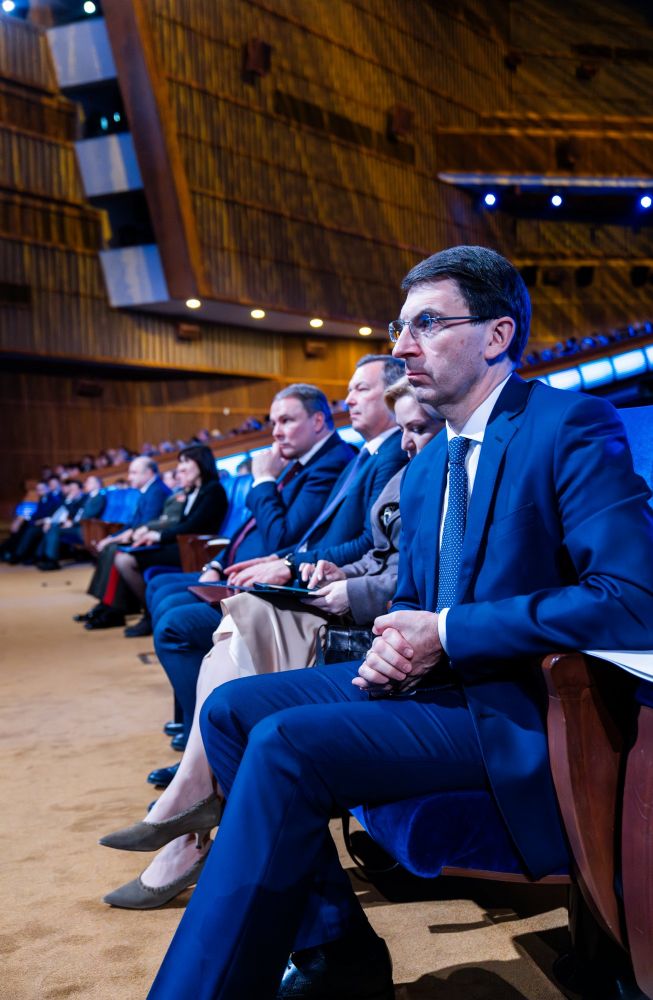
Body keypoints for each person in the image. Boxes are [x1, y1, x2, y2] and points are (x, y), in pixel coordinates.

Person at [147, 245, 653, 1000]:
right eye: (399, 327)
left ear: (497, 335)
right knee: (228, 710)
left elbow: (630, 598)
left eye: (427, 324)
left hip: (517, 705)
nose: (402, 347)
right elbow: (412, 601)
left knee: (285, 742)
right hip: (434, 686)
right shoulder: (424, 470)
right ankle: (337, 954)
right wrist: (397, 641)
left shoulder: (568, 424)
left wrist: (445, 634)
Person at [99, 380, 443, 909]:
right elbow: (363, 549)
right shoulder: (395, 462)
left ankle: (190, 806)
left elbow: (378, 561)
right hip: (339, 593)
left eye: (362, 389)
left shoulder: (397, 463)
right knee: (232, 626)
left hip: (374, 622)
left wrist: (321, 568)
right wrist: (329, 569)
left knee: (235, 621)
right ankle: (191, 804)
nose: (405, 439)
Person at [145, 357, 406, 781]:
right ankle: (202, 754)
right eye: (348, 390)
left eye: (361, 389)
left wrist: (283, 549)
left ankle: (206, 760)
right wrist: (259, 560)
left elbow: (332, 540)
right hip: (309, 575)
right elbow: (299, 538)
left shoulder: (371, 455)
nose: (349, 399)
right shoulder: (362, 456)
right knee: (178, 603)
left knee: (187, 621)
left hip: (329, 592)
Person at [111, 446, 228, 637]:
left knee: (126, 560)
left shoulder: (213, 490)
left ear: (201, 463)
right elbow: (181, 524)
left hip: (195, 549)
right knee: (126, 553)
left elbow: (193, 526)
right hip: (183, 545)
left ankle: (148, 615)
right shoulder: (194, 491)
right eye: (180, 463)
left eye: (185, 462)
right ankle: (145, 613)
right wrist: (155, 536)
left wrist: (158, 536)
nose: (180, 468)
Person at [77, 457, 170, 629]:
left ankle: (115, 609)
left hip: (152, 541)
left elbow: (146, 524)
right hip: (141, 536)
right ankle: (106, 603)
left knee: (114, 550)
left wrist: (115, 539)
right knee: (109, 547)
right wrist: (111, 537)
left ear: (149, 473)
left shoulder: (156, 491)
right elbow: (132, 524)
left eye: (134, 472)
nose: (129, 477)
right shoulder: (148, 491)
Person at [35, 474, 106, 570]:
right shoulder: (90, 496)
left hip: (86, 528)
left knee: (55, 529)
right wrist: (69, 503)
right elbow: (75, 512)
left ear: (97, 484)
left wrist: (73, 523)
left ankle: (51, 560)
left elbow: (89, 515)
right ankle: (46, 558)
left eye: (89, 482)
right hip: (81, 526)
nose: (85, 484)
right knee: (54, 527)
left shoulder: (98, 497)